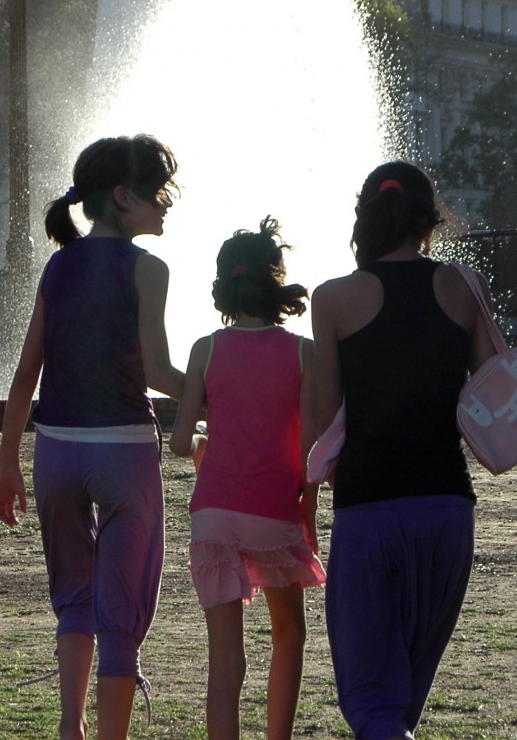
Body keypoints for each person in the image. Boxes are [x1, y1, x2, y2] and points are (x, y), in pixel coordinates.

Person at [0, 134, 186, 740]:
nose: (166, 204)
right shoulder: (148, 269)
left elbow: (27, 375)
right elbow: (156, 373)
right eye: (157, 193)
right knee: (119, 618)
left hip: (57, 451)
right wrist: (215, 395)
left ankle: (70, 727)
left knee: (73, 601)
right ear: (122, 197)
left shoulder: (59, 264)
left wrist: (7, 465)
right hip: (124, 451)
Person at [310, 161, 498, 740]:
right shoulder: (462, 287)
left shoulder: (334, 299)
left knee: (373, 701)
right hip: (446, 507)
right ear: (430, 222)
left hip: (368, 508)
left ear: (365, 218)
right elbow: (493, 389)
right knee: (403, 699)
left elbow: (320, 418)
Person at [169, 216, 326, 740]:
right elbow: (309, 452)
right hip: (273, 512)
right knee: (289, 633)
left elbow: (179, 440)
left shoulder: (205, 349)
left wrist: (202, 451)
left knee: (225, 662)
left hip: (213, 514)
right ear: (275, 281)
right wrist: (309, 516)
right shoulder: (304, 353)